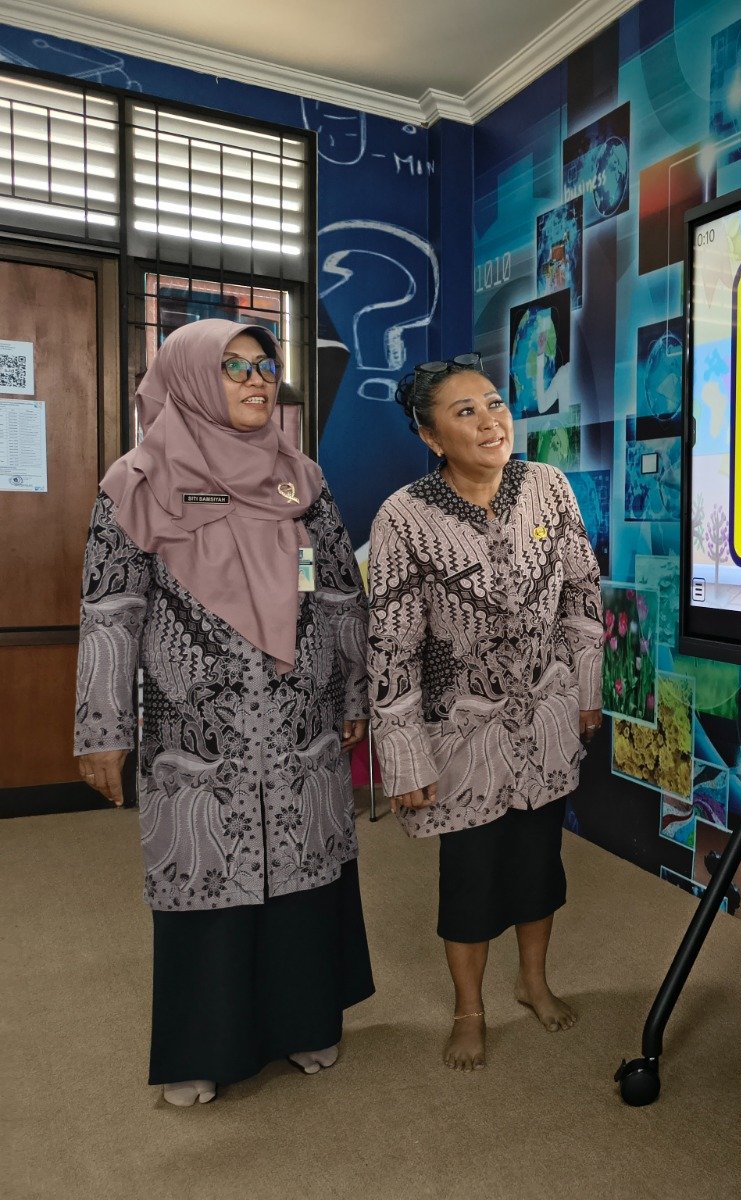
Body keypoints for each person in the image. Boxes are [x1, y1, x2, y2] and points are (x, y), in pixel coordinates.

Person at [74, 319, 374, 1108]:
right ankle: (200, 1049)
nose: (255, 381)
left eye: (264, 366)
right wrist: (103, 731)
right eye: (233, 367)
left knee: (304, 876)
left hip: (300, 725)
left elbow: (335, 588)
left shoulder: (299, 479)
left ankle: (306, 1020)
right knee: (206, 878)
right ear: (190, 378)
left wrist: (351, 690)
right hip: (199, 736)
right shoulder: (137, 481)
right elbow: (111, 611)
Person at [367, 353, 603, 1070]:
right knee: (470, 876)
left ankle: (533, 981)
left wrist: (586, 690)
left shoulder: (549, 487)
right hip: (462, 731)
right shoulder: (404, 516)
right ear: (430, 436)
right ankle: (469, 1009)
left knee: (539, 862)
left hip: (545, 715)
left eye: (495, 403)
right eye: (464, 411)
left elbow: (581, 594)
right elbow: (392, 642)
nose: (490, 420)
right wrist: (402, 751)